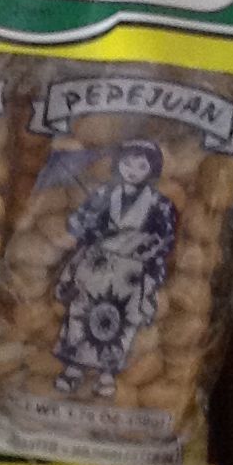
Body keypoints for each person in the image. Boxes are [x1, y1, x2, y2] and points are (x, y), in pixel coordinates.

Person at [53, 138, 178, 397]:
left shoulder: (160, 204)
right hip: (97, 265)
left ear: (152, 170)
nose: (132, 170)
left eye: (141, 165)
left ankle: (107, 375)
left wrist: (142, 246)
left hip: (131, 272)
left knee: (121, 323)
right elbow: (77, 222)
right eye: (127, 163)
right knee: (80, 314)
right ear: (118, 164)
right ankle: (73, 369)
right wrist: (94, 227)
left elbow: (166, 238)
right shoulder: (104, 194)